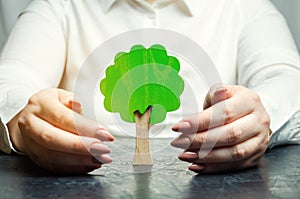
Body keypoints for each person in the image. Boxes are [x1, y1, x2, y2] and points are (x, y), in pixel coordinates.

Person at [0, 0, 300, 174]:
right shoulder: (57, 6)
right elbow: (10, 80)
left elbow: (288, 80)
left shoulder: (247, 7)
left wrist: (263, 116)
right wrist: (21, 119)